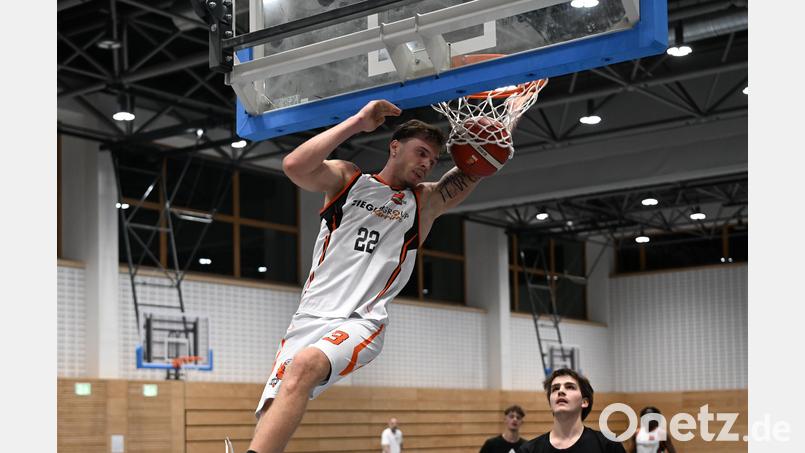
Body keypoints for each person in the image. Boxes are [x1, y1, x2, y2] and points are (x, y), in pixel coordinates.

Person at [234, 97, 527, 453]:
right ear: (394, 146)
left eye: (433, 161)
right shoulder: (348, 179)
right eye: (420, 153)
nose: (427, 165)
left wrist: (498, 134)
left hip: (361, 320)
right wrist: (357, 121)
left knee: (305, 364)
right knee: (270, 408)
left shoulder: (424, 203)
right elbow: (295, 164)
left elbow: (472, 170)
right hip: (309, 316)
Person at [518, 368, 626, 453]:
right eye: (555, 388)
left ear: (584, 402)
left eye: (570, 387)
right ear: (550, 403)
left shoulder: (609, 445)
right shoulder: (528, 450)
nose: (560, 391)